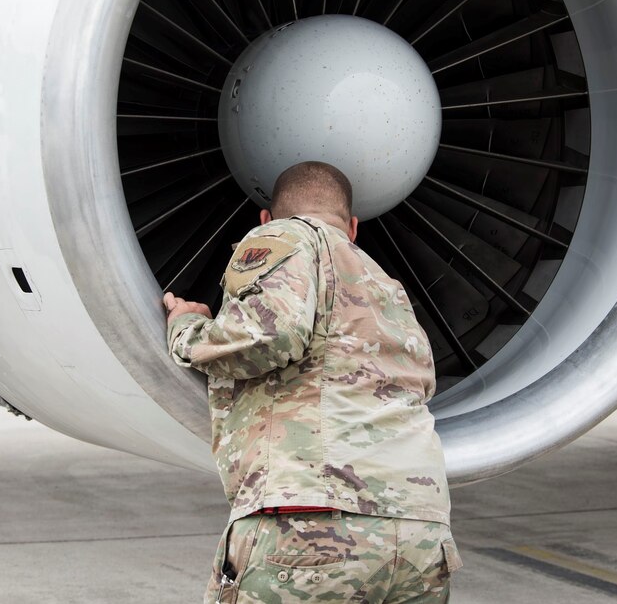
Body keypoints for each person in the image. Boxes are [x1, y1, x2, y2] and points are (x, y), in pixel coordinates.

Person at [163, 161, 461, 603]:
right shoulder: (389, 291)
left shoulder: (285, 237)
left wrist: (188, 328)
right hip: (420, 534)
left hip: (313, 523)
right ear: (353, 227)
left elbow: (270, 334)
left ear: (267, 218)